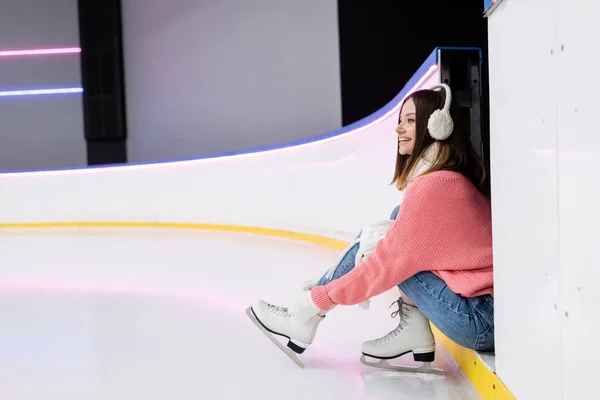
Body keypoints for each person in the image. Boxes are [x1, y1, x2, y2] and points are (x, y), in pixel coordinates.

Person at [248, 84, 494, 370]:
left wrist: (319, 298)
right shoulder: (448, 180)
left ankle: (303, 316)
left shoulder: (434, 187)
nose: (398, 129)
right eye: (400, 120)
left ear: (437, 127)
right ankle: (412, 331)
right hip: (487, 313)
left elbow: (383, 266)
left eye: (410, 121)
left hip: (479, 320)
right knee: (396, 219)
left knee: (380, 244)